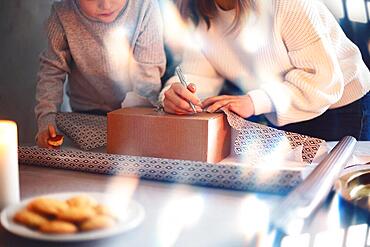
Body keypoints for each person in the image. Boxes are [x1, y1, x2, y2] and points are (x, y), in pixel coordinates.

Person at [160, 0, 370, 141]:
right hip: (282, 111)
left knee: (333, 193)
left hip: (343, 106)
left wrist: (255, 101)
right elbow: (198, 75)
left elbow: (323, 81)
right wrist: (177, 94)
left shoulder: (286, 4)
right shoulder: (193, 8)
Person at [35, 0, 166, 147]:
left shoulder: (144, 7)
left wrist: (140, 128)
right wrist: (47, 120)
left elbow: (147, 82)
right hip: (85, 117)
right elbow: (52, 71)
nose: (106, 5)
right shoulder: (63, 12)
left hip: (135, 114)